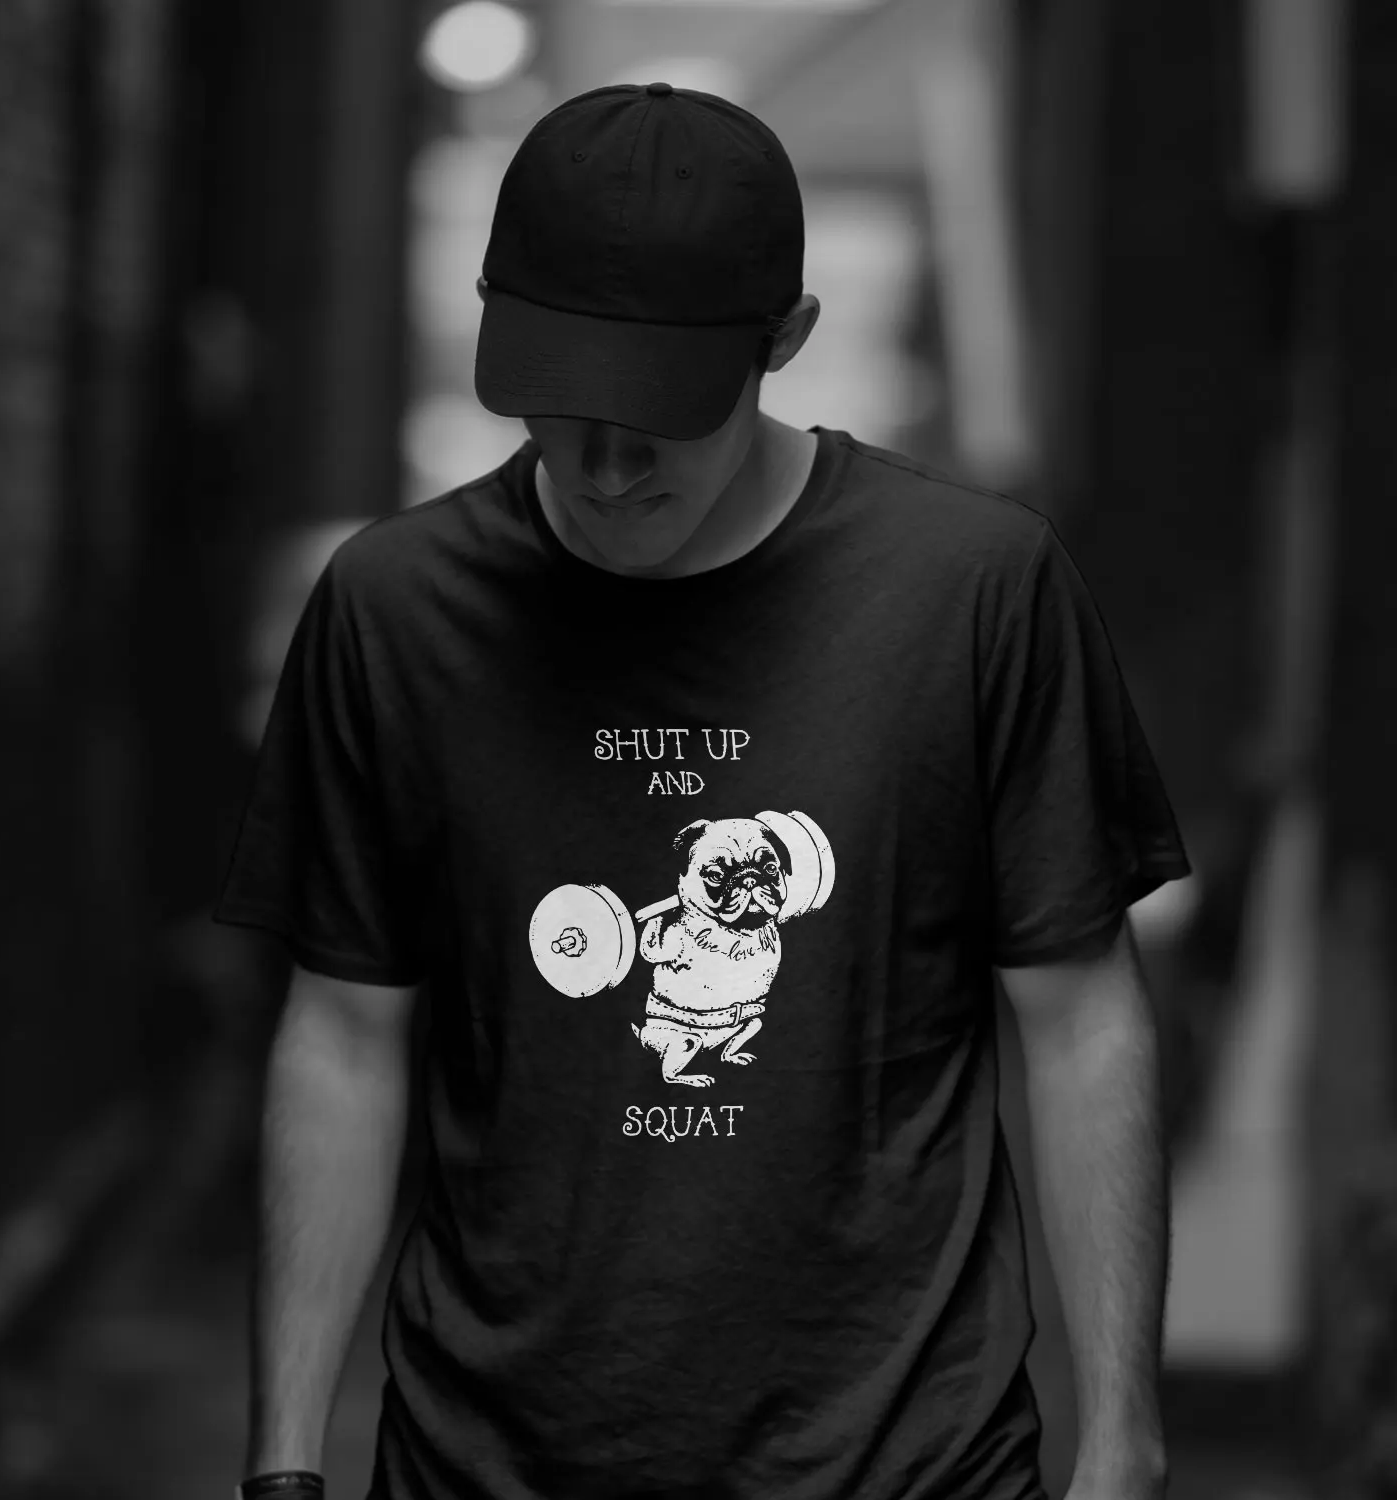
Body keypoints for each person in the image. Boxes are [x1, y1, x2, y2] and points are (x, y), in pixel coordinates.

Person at [215, 81, 1189, 1500]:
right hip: (490, 1460)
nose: (607, 466)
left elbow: (1082, 1019)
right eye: (563, 398)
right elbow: (348, 1039)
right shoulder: (397, 610)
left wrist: (1124, 1442)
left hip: (905, 1462)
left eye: (663, 411)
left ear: (783, 340)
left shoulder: (973, 593)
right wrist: (283, 1465)